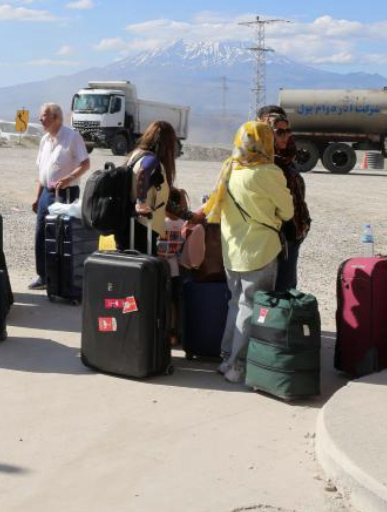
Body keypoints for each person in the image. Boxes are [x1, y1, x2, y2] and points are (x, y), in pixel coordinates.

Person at [203, 121, 294, 384]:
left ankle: (226, 357)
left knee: (236, 302)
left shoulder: (231, 168)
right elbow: (287, 211)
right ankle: (237, 366)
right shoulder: (267, 172)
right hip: (260, 250)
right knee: (251, 306)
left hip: (232, 249)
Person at [30, 102, 91, 291]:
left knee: (63, 236)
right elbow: (43, 173)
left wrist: (69, 178)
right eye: (41, 115)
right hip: (46, 194)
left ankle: (66, 276)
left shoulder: (72, 137)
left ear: (56, 117)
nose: (40, 119)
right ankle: (43, 275)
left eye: (44, 115)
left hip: (66, 193)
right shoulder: (44, 140)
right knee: (41, 234)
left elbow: (86, 163)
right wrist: (37, 197)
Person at [268, 114, 311, 292]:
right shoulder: (268, 162)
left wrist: (304, 223)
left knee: (288, 285)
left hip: (294, 232)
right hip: (278, 233)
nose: (285, 136)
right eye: (279, 132)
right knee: (279, 288)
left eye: (288, 131)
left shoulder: (288, 159)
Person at [127, 121, 182, 255]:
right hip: (144, 226)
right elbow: (143, 171)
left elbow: (162, 202)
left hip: (134, 223)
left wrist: (188, 215)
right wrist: (141, 202)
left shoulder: (137, 154)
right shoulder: (151, 159)